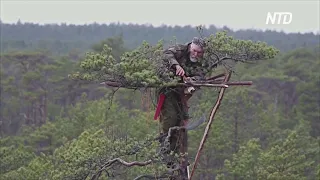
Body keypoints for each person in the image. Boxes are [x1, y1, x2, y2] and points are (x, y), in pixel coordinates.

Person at [154, 37, 207, 156]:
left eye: (199, 52)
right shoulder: (180, 50)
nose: (196, 54)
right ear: (190, 47)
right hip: (167, 89)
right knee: (170, 118)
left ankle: (176, 153)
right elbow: (166, 53)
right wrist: (176, 66)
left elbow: (201, 76)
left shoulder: (201, 61)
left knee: (181, 120)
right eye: (194, 51)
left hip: (181, 92)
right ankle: (165, 150)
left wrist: (191, 80)